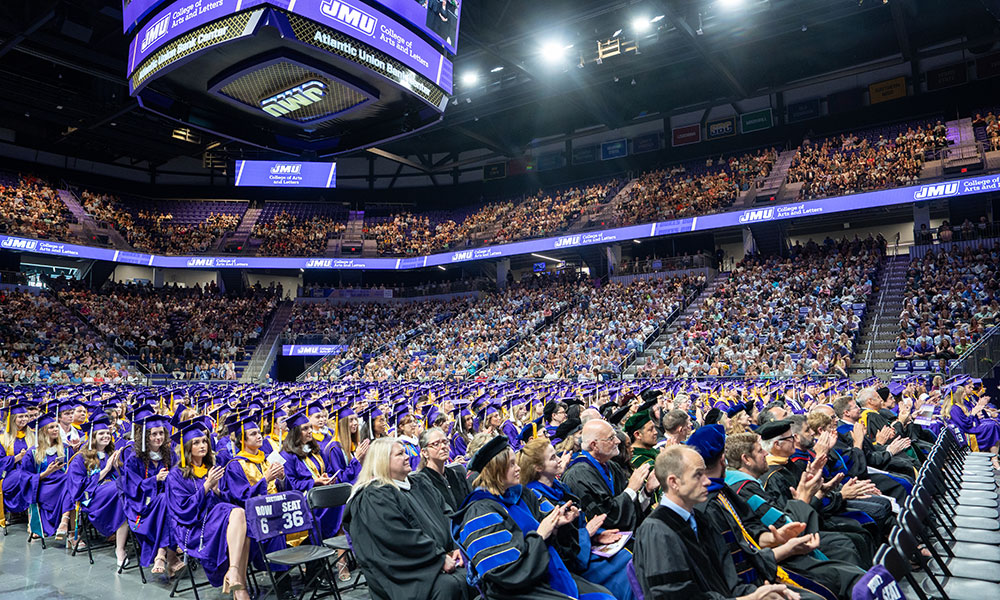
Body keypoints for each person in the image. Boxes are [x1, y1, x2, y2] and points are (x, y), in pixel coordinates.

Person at [452, 435, 615, 600]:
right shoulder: (479, 512)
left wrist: (559, 525)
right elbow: (503, 572)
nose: (518, 468)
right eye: (511, 465)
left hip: (547, 573)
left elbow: (556, 542)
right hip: (516, 592)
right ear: (497, 471)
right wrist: (540, 535)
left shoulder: (522, 494)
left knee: (606, 595)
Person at [633, 444, 801, 600]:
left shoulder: (698, 519)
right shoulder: (657, 530)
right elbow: (674, 595)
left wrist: (758, 594)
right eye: (698, 475)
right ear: (674, 482)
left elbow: (727, 582)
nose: (707, 481)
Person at [346, 437, 472, 600]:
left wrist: (457, 546)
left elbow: (447, 513)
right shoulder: (374, 497)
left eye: (405, 452)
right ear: (382, 461)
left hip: (443, 557)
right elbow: (398, 538)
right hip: (411, 572)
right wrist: (438, 558)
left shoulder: (419, 481)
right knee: (449, 586)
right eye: (400, 454)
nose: (407, 457)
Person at [519, 437, 635, 600]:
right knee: (628, 569)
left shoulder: (558, 488)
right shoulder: (537, 500)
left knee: (632, 555)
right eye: (553, 458)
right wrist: (587, 533)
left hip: (583, 548)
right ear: (538, 467)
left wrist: (598, 534)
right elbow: (558, 548)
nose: (560, 460)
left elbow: (580, 525)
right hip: (570, 564)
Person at [166, 419, 252, 600]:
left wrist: (217, 491)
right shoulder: (176, 475)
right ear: (187, 448)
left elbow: (228, 499)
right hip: (194, 526)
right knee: (238, 516)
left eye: (204, 441)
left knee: (241, 519)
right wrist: (205, 487)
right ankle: (238, 582)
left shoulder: (212, 468)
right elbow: (182, 510)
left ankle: (236, 578)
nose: (202, 445)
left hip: (218, 518)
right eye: (196, 442)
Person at [562, 419, 656, 531]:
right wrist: (631, 489)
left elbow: (630, 510)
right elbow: (607, 518)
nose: (617, 441)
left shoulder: (612, 466)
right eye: (611, 438)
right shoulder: (578, 476)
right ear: (594, 445)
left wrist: (647, 491)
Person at [120, 414, 184, 574]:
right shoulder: (134, 458)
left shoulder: (170, 455)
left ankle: (162, 555)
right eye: (153, 434)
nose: (158, 437)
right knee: (165, 500)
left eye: (161, 433)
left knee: (169, 501)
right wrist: (155, 479)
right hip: (142, 504)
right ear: (145, 436)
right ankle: (168, 556)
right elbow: (131, 487)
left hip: (167, 502)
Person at [61, 416, 129, 565]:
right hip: (91, 498)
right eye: (101, 434)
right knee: (121, 488)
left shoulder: (112, 454)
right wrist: (105, 470)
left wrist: (117, 466)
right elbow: (78, 488)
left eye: (107, 433)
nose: (105, 436)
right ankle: (120, 547)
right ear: (92, 437)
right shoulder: (80, 458)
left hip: (113, 495)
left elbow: (120, 476)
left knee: (125, 488)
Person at [278, 411, 339, 538]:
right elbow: (291, 484)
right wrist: (315, 482)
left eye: (310, 427)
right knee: (340, 504)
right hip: (305, 499)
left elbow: (328, 469)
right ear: (295, 433)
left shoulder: (315, 450)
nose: (310, 431)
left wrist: (327, 478)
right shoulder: (286, 456)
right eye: (305, 429)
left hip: (322, 491)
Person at [20, 413, 72, 540]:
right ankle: (64, 523)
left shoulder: (65, 449)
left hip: (62, 483)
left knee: (69, 482)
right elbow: (25, 478)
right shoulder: (33, 452)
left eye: (56, 427)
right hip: (43, 486)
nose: (55, 430)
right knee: (68, 485)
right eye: (51, 427)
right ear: (43, 431)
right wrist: (47, 472)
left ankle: (64, 521)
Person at [410, 426, 471, 513]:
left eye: (445, 442)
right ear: (424, 452)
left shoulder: (457, 475)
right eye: (436, 444)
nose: (443, 446)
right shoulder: (421, 483)